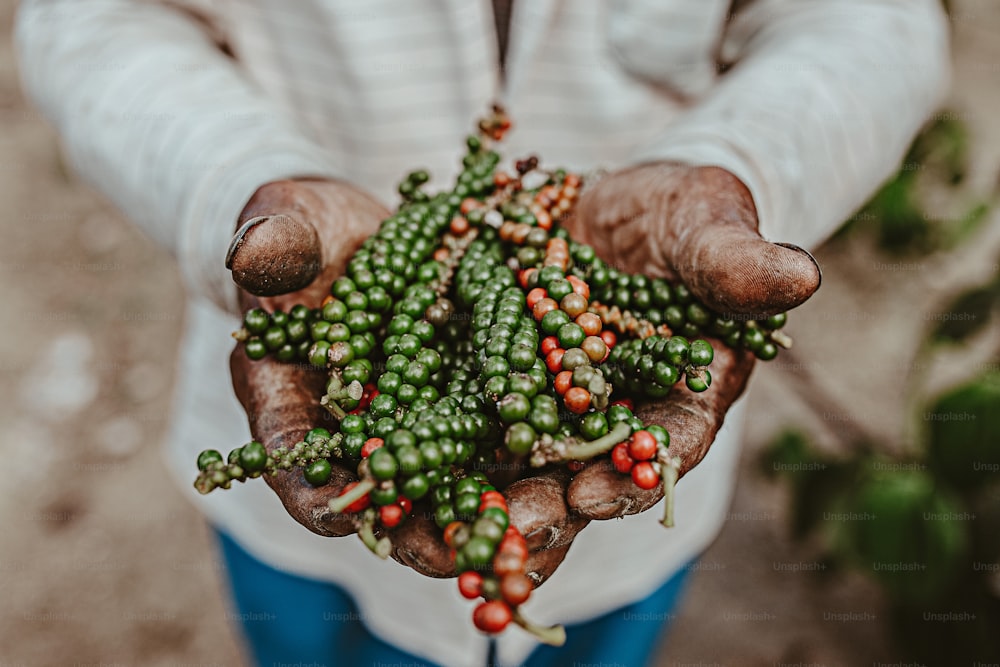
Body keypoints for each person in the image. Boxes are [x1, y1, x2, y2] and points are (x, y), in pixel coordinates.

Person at [15, 1, 949, 665]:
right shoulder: (358, 377)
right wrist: (242, 180)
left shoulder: (591, 360)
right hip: (294, 444)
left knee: (605, 632)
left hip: (631, 498)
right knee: (303, 630)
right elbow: (90, 20)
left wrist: (735, 168)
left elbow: (874, 21)